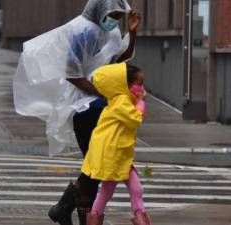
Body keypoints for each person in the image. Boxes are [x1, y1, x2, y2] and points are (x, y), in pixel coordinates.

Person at [12, 0, 141, 225]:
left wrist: (131, 33)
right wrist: (101, 94)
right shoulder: (82, 31)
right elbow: (72, 73)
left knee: (96, 164)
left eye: (120, 16)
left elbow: (117, 60)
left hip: (100, 107)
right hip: (83, 107)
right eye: (113, 14)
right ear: (100, 9)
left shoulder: (108, 34)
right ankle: (73, 212)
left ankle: (65, 209)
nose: (115, 21)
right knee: (95, 165)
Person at [81, 63, 151, 225]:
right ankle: (139, 219)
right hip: (114, 154)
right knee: (121, 189)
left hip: (118, 153)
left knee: (119, 190)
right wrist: (141, 101)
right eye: (138, 83)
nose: (141, 87)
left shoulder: (122, 100)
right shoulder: (121, 101)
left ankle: (95, 218)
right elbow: (135, 119)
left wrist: (138, 101)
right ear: (125, 85)